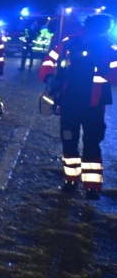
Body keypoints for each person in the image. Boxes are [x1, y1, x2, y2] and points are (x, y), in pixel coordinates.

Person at [39, 13, 117, 199]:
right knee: (69, 141)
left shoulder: (110, 49)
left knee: (92, 143)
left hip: (94, 105)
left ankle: (92, 187)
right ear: (88, 27)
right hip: (69, 103)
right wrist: (49, 79)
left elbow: (114, 76)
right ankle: (70, 180)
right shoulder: (68, 44)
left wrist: (99, 58)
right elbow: (48, 62)